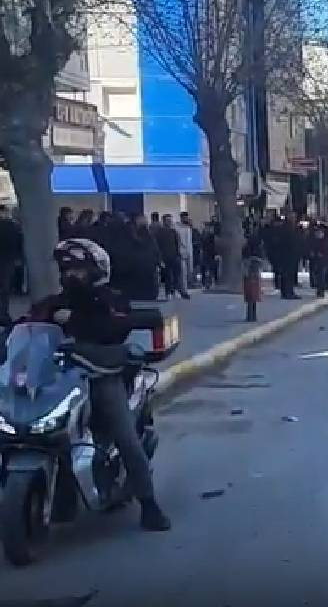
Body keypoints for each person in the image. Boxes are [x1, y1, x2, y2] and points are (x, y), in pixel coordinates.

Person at [25, 238, 171, 532]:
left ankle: (149, 503)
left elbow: (115, 325)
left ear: (96, 270)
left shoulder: (111, 299)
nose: (71, 276)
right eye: (67, 270)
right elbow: (28, 325)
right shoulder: (55, 303)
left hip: (101, 375)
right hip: (59, 379)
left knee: (124, 434)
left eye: (78, 270)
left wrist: (77, 320)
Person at [157, 215, 190, 299]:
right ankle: (169, 292)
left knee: (177, 275)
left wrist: (179, 254)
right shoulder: (159, 232)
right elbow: (157, 246)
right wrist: (160, 258)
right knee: (168, 276)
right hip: (165, 257)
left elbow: (177, 244)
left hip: (175, 256)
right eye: (168, 220)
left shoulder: (174, 232)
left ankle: (175, 291)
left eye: (170, 220)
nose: (169, 222)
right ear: (164, 221)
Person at [0, 205, 21, 325]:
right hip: (8, 260)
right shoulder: (12, 225)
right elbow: (18, 242)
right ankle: (3, 314)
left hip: (6, 258)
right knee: (4, 290)